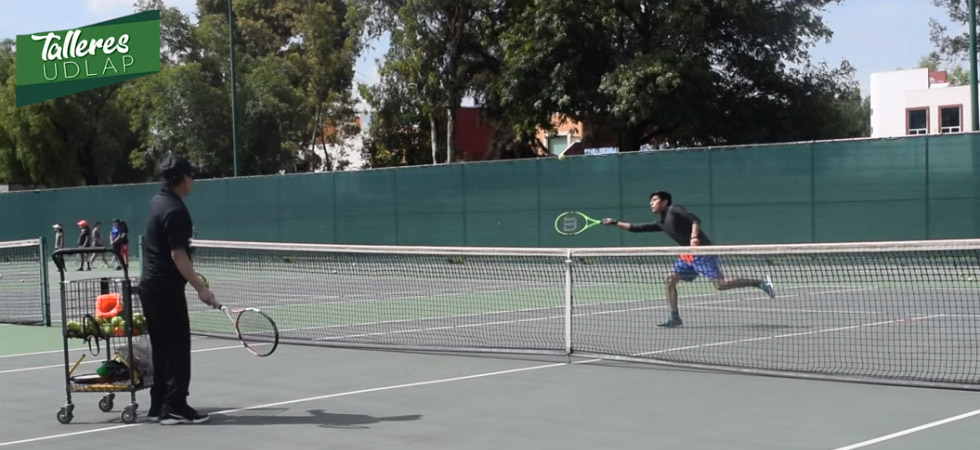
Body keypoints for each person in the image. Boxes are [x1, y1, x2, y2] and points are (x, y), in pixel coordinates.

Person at [603, 191, 774, 328]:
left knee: (720, 285)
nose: (651, 203)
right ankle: (674, 317)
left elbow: (695, 220)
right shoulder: (661, 223)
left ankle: (759, 283)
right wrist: (616, 222)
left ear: (664, 202)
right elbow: (636, 228)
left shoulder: (674, 210)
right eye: (650, 201)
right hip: (687, 255)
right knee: (670, 280)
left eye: (654, 200)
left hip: (703, 251)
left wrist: (693, 238)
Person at [139, 153, 216, 425]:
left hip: (150, 288)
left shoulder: (157, 202)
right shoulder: (176, 210)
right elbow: (178, 255)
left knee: (161, 348)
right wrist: (201, 289)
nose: (193, 180)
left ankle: (159, 402)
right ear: (181, 179)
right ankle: (175, 406)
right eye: (191, 175)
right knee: (178, 349)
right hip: (166, 290)